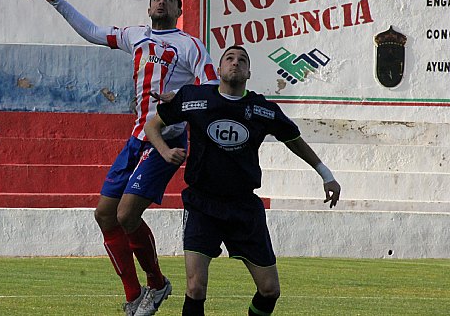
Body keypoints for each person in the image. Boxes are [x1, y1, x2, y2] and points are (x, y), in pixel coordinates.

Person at [28, 0, 218, 316]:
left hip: (166, 139)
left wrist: (179, 97)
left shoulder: (190, 45)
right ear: (149, 8)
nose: (162, 1)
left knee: (127, 214)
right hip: (136, 138)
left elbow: (212, 87)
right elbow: (94, 32)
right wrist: (56, 0)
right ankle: (134, 296)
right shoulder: (135, 36)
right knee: (104, 215)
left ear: (178, 11)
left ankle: (157, 284)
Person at [144, 45, 341, 316]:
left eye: (242, 60)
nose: (235, 63)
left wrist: (326, 175)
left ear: (249, 72)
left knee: (270, 290)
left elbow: (294, 141)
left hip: (244, 208)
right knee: (195, 287)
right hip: (202, 203)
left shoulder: (262, 109)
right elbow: (152, 125)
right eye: (229, 58)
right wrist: (165, 151)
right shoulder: (194, 98)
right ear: (220, 68)